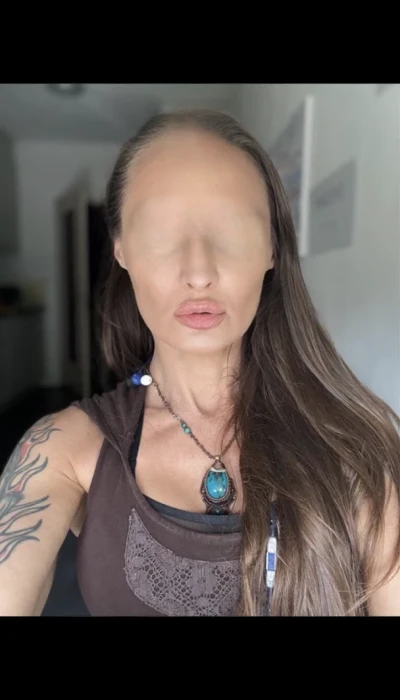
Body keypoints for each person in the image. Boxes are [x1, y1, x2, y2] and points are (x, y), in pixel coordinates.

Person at [1, 108, 399, 617]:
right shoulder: (61, 450)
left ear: (271, 248)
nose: (198, 272)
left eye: (231, 228)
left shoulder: (354, 451)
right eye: (161, 231)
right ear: (121, 250)